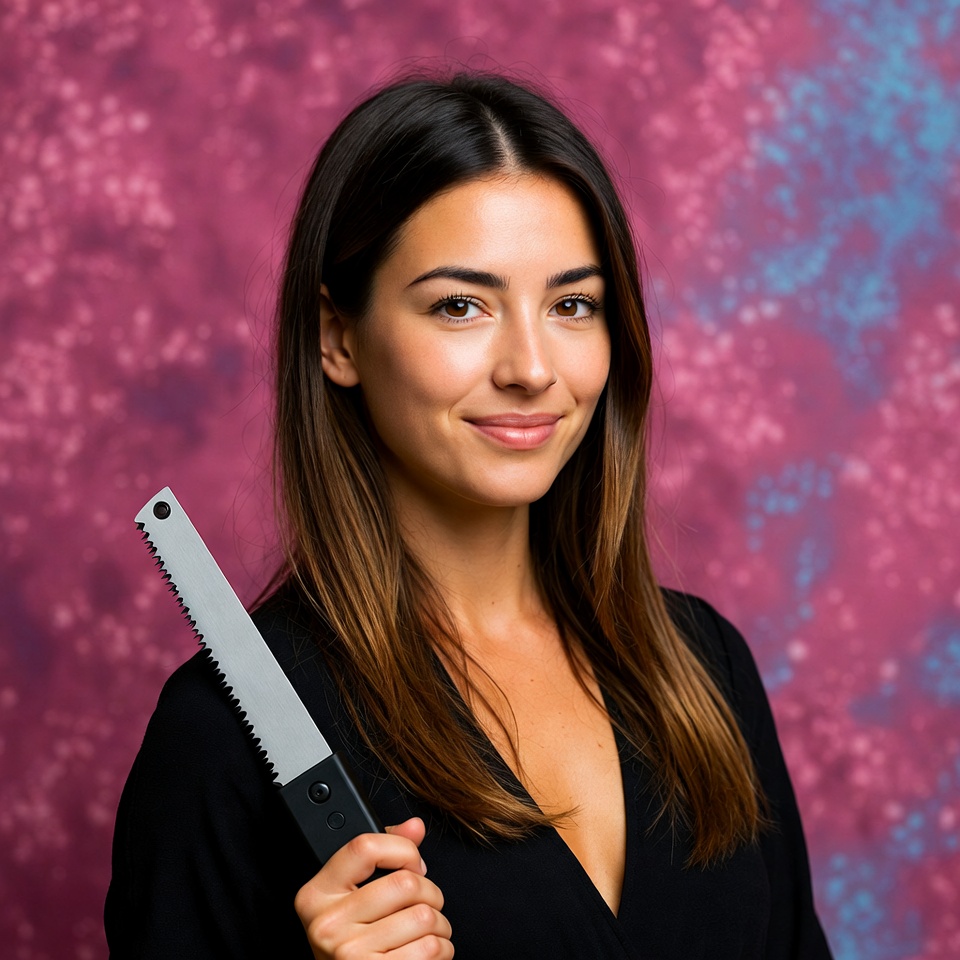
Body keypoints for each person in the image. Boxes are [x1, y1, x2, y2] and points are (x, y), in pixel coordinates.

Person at [105, 70, 833, 959]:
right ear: (337, 337)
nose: (531, 367)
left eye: (572, 305)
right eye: (461, 306)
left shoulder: (706, 671)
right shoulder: (219, 739)